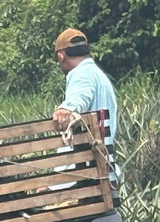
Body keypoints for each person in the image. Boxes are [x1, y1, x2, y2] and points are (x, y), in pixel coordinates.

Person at [51, 28, 119, 187]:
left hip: (86, 176)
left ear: (61, 56)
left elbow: (79, 97)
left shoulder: (82, 74)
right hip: (101, 170)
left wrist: (66, 109)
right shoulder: (97, 74)